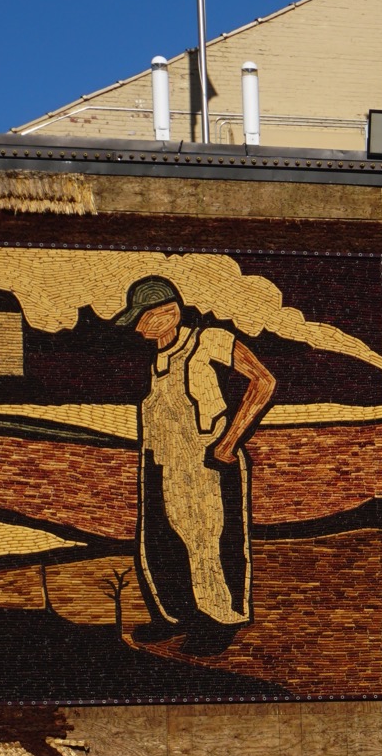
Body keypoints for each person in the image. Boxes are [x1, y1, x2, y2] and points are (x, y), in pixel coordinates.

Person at [112, 276, 276, 652]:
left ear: (168, 312)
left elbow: (263, 381)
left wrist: (229, 442)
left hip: (207, 461)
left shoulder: (207, 340)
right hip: (161, 464)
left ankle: (220, 620)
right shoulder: (158, 361)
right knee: (159, 542)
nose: (137, 327)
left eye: (143, 318)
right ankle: (177, 616)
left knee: (208, 541)